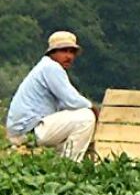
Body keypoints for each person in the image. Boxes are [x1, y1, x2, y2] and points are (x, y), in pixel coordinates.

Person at [5, 31, 98, 161]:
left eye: (72, 52)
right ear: (52, 53)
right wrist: (93, 108)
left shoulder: (45, 67)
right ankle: (70, 165)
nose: (69, 56)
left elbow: (66, 106)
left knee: (74, 123)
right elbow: (72, 100)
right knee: (86, 117)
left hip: (26, 130)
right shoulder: (51, 67)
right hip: (29, 130)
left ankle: (60, 164)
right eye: (64, 51)